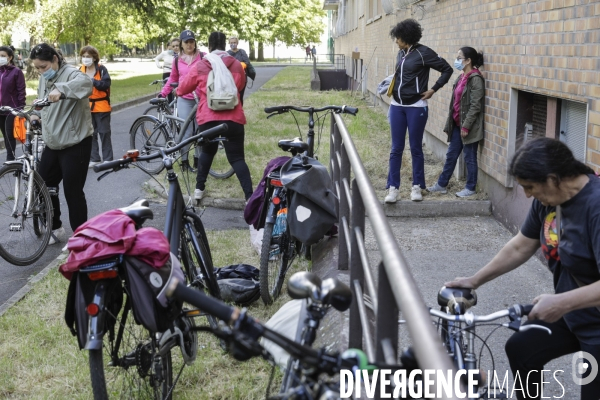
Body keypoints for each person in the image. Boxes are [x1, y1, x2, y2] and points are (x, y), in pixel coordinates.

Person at [446, 137, 600, 399]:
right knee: (522, 349)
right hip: (574, 313)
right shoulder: (549, 200)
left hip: (593, 324)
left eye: (530, 187)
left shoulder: (595, 206)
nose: (528, 195)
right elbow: (520, 246)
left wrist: (560, 302)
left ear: (553, 178)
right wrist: (475, 280)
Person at [29, 43, 93, 247]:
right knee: (43, 185)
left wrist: (62, 90)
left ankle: (81, 237)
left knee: (73, 191)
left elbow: (86, 84)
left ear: (55, 59)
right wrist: (35, 114)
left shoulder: (72, 73)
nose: (40, 72)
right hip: (53, 143)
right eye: (37, 68)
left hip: (76, 143)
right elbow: (43, 103)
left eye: (43, 67)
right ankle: (55, 226)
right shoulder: (43, 78)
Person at [177, 31, 253, 202]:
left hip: (208, 118)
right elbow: (240, 86)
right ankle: (249, 197)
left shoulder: (201, 65)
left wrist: (177, 90)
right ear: (225, 45)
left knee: (207, 152)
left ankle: (199, 190)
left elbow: (184, 88)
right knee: (237, 158)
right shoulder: (236, 65)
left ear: (209, 46)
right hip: (233, 118)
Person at [384, 18, 452, 203]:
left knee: (415, 148)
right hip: (397, 105)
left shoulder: (424, 53)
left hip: (416, 106)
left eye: (397, 38)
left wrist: (433, 89)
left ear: (406, 37)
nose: (396, 41)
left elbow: (447, 69)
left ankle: (417, 187)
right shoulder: (401, 53)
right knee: (396, 149)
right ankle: (393, 188)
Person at [427, 47, 485, 198]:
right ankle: (441, 185)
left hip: (468, 126)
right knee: (451, 155)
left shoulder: (476, 79)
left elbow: (475, 106)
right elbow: (456, 101)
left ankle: (471, 187)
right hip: (456, 124)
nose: (457, 60)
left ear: (468, 60)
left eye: (459, 57)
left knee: (469, 156)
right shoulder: (461, 77)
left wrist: (466, 125)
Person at [159, 30, 204, 172]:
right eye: (186, 42)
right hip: (185, 99)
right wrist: (163, 94)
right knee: (187, 132)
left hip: (201, 99)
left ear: (195, 43)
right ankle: (184, 162)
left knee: (200, 132)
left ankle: (198, 161)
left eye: (191, 41)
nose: (189, 45)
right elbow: (173, 79)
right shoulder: (177, 60)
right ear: (181, 44)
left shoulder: (203, 57)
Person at [79, 45, 113, 167]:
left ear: (94, 58)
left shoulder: (101, 69)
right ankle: (94, 158)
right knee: (90, 134)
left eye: (88, 56)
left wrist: (93, 81)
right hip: (86, 106)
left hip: (102, 105)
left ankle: (108, 158)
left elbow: (106, 84)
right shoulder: (80, 70)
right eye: (83, 56)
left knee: (104, 132)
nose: (85, 59)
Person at [0, 45, 26, 161]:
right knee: (5, 135)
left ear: (10, 57)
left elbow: (21, 91)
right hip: (0, 109)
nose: (0, 58)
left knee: (9, 135)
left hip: (12, 109)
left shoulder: (16, 72)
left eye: (3, 56)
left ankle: (10, 159)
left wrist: (19, 108)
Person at [227, 36, 255, 105]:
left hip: (242, 78)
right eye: (231, 42)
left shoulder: (242, 52)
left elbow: (247, 62)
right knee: (232, 96)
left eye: (234, 42)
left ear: (237, 43)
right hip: (231, 78)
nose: (233, 44)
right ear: (229, 43)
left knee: (240, 96)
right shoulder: (227, 53)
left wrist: (240, 65)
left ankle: (240, 111)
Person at [155, 38, 180, 104]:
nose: (175, 48)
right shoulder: (165, 53)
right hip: (167, 72)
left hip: (176, 73)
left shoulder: (177, 55)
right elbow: (156, 59)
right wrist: (159, 66)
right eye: (173, 46)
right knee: (169, 89)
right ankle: (170, 103)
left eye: (177, 46)